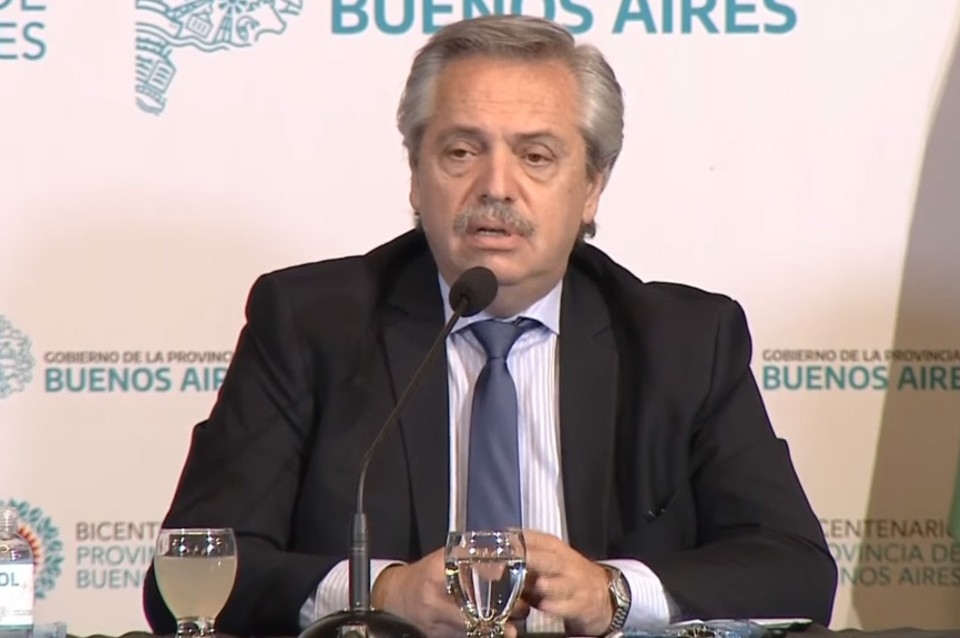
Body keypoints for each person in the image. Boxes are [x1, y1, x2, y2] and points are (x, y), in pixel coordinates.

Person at [143, 13, 837, 638]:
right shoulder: (310, 325)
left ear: (591, 187)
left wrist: (612, 594)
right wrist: (381, 594)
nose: (496, 187)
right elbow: (187, 575)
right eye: (461, 151)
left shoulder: (684, 342)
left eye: (536, 156)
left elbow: (795, 569)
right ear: (416, 176)